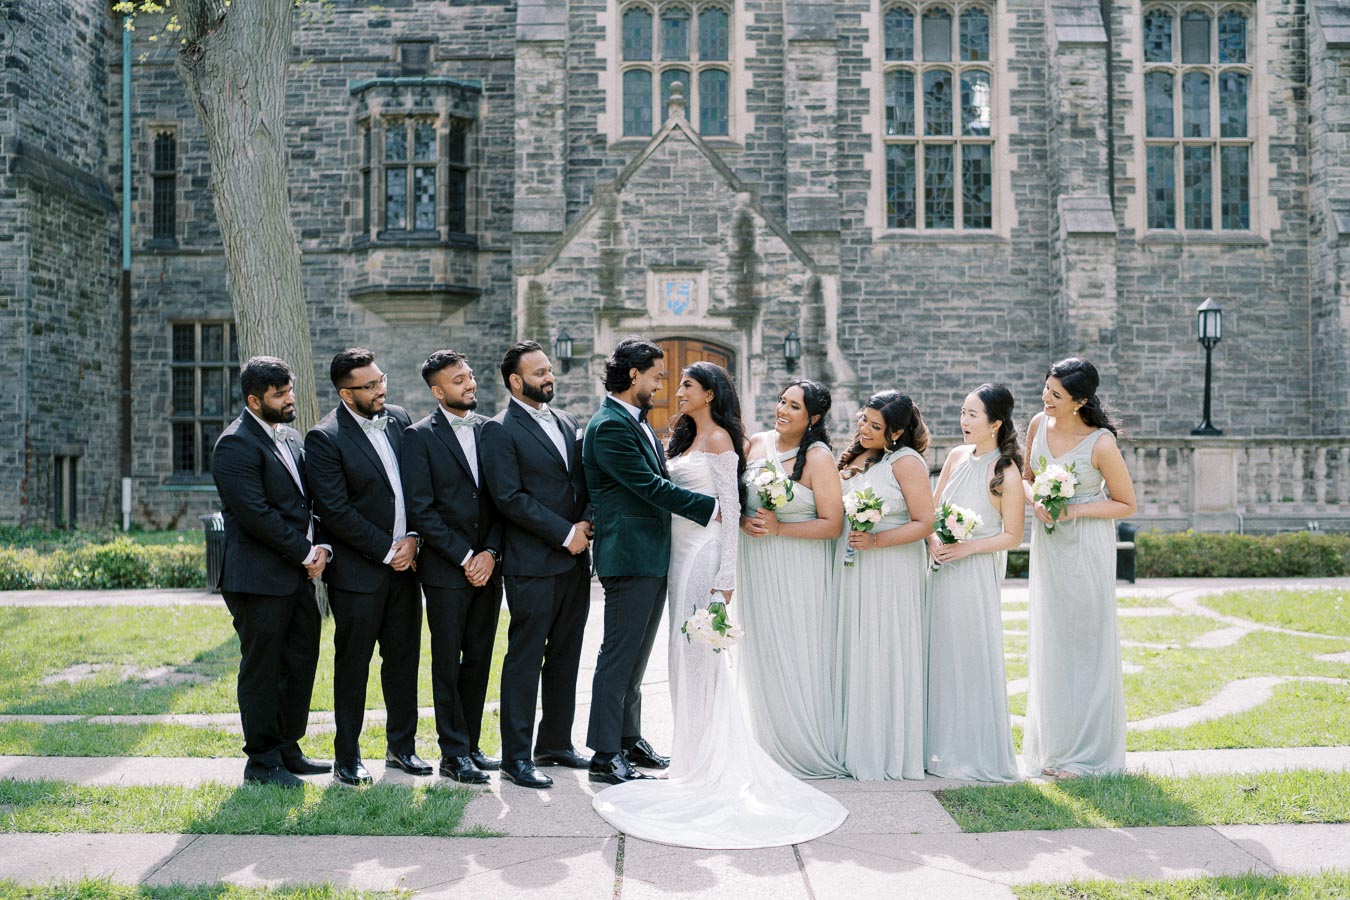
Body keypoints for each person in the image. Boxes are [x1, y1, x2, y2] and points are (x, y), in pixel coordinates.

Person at [592, 362, 847, 847]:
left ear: (709, 394)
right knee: (680, 658)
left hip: (705, 556)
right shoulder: (681, 439)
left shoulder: (721, 444)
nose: (677, 392)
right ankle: (690, 756)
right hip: (676, 555)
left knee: (699, 658)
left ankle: (709, 763)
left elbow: (730, 513)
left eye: (687, 385)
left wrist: (725, 579)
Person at [583, 338, 717, 786]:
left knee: (636, 658)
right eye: (658, 375)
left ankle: (628, 739)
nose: (662, 384)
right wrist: (712, 508)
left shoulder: (633, 421)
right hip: (629, 555)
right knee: (618, 655)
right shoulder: (609, 426)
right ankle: (604, 755)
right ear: (634, 374)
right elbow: (649, 487)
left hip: (651, 555)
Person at [305, 348, 429, 786]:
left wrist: (413, 539)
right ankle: (347, 756)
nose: (381, 390)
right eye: (370, 386)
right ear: (346, 393)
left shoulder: (398, 418)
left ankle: (402, 748)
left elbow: (417, 486)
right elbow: (335, 511)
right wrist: (386, 549)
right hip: (359, 575)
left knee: (403, 662)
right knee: (353, 666)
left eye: (382, 380)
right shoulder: (324, 437)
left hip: (406, 569)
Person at [211, 356, 331, 787]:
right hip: (257, 579)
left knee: (300, 660)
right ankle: (261, 761)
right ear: (254, 400)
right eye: (280, 394)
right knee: (263, 668)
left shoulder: (293, 438)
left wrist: (320, 549)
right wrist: (304, 552)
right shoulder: (235, 444)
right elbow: (256, 514)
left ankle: (287, 746)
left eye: (289, 390)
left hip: (298, 575)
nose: (289, 399)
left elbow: (306, 503)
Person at [480, 341, 594, 790]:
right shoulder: (498, 429)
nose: (550, 377)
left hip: (574, 561)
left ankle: (556, 742)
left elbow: (580, 481)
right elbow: (509, 498)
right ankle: (516, 757)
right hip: (532, 563)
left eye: (550, 370)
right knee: (526, 659)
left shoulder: (566, 421)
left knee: (567, 655)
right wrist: (564, 534)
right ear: (515, 381)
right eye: (540, 372)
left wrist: (585, 522)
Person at [1022, 358, 1137, 779]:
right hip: (1049, 546)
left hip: (1086, 546)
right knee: (1052, 640)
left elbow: (1126, 503)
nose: (1045, 399)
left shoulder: (1101, 443)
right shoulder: (1038, 424)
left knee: (1085, 643)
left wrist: (1075, 509)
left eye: (1055, 395)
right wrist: (1036, 498)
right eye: (1045, 389)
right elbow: (1027, 475)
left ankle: (1088, 756)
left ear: (1080, 401)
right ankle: (1054, 749)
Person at [400, 350, 504, 785]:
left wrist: (491, 553)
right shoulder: (418, 437)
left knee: (479, 658)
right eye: (458, 380)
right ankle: (452, 753)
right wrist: (465, 557)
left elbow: (503, 497)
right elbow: (421, 511)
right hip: (446, 569)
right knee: (447, 660)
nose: (469, 384)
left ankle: (473, 743)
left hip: (489, 565)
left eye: (470, 376)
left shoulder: (491, 430)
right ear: (438, 391)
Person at [737, 380, 849, 778]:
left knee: (799, 647)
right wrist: (743, 519)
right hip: (758, 563)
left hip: (800, 567)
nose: (783, 410)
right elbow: (735, 498)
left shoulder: (818, 457)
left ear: (813, 417)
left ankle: (801, 741)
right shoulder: (755, 443)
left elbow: (833, 524)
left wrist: (781, 529)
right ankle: (763, 738)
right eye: (782, 401)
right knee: (762, 645)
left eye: (794, 407)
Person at [925, 383, 1024, 783]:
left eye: (972, 415)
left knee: (968, 655)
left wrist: (967, 548)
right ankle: (936, 745)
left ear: (995, 423)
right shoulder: (955, 456)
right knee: (939, 654)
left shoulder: (1006, 472)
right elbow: (931, 511)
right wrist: (933, 540)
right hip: (940, 570)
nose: (963, 421)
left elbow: (1013, 536)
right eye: (963, 412)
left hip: (974, 572)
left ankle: (971, 751)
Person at [835, 391, 934, 780]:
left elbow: (924, 522)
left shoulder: (907, 462)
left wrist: (876, 541)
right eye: (863, 419)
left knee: (884, 648)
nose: (864, 429)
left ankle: (886, 748)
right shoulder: (862, 457)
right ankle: (854, 741)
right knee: (859, 650)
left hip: (891, 568)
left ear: (895, 433)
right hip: (856, 567)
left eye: (875, 427)